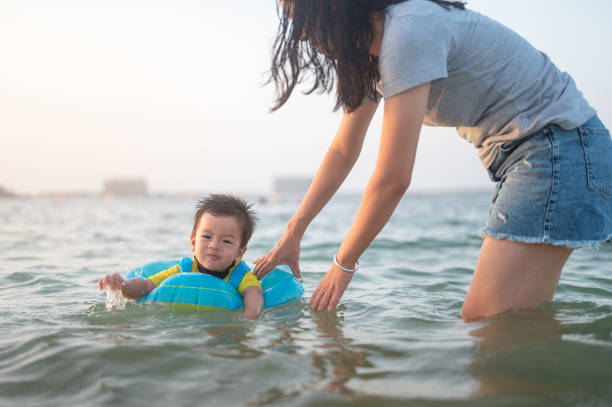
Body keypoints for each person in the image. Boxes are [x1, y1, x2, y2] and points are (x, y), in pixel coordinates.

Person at [252, 0, 612, 320]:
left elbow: (393, 178)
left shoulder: (409, 29)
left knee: (489, 323)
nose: (299, 37)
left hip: (557, 147)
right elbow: (343, 150)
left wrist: (343, 264)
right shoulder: (368, 58)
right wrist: (293, 232)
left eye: (300, 19)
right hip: (543, 153)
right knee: (507, 326)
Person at [99, 194, 264, 319]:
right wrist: (122, 285)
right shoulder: (183, 269)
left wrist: (248, 317)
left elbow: (254, 293)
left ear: (239, 252)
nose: (214, 245)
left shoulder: (240, 274)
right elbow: (146, 285)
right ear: (193, 242)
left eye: (226, 241)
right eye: (207, 237)